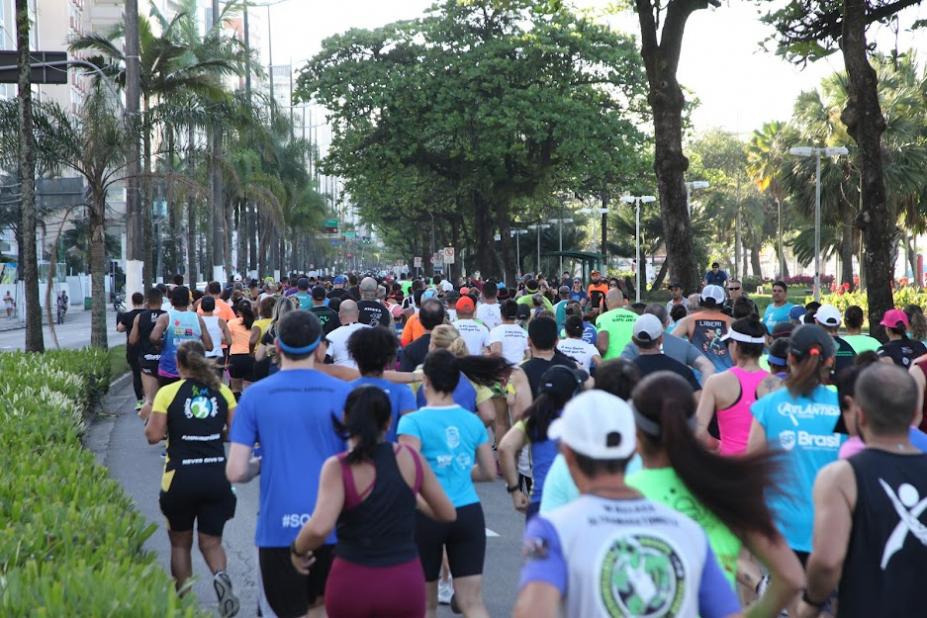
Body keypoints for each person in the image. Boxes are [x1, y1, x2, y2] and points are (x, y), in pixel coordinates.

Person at [513, 390, 741, 618]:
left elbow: (533, 611)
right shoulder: (690, 530)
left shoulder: (552, 530)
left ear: (567, 453)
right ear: (633, 449)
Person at [629, 372, 804, 614]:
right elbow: (791, 577)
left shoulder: (620, 494)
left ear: (636, 434)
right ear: (692, 426)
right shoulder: (725, 486)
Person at [289, 386, 456, 618]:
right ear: (388, 422)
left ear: (346, 418)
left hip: (352, 579)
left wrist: (297, 550)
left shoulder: (338, 467)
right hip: (403, 580)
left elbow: (319, 527)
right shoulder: (411, 459)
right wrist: (412, 498)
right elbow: (447, 513)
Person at [226, 311, 350, 618]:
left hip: (278, 527)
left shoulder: (254, 396)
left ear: (278, 347)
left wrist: (261, 463)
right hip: (334, 525)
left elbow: (236, 471)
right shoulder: (344, 393)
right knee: (323, 609)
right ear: (319, 347)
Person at [799, 364, 927, 618]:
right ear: (915, 413)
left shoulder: (841, 477)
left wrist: (810, 605)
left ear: (861, 415)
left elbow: (827, 562)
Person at [398, 350, 497, 618]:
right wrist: (460, 468)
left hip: (426, 513)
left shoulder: (411, 422)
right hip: (468, 512)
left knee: (426, 605)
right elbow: (489, 471)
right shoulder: (472, 421)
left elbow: (409, 475)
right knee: (472, 603)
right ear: (457, 383)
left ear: (425, 381)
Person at [144, 341, 240, 617]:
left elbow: (152, 436)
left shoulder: (168, 393)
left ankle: (184, 601)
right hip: (216, 476)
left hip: (179, 478)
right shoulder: (222, 391)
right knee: (211, 542)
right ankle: (220, 575)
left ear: (179, 365)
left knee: (179, 543)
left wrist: (150, 412)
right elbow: (236, 431)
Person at [747, 324, 843, 564]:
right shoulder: (844, 406)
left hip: (781, 532)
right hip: (833, 532)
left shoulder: (768, 407)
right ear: (830, 361)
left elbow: (752, 470)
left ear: (789, 358)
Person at [498, 365, 585, 520]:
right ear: (573, 393)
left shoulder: (534, 418)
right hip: (576, 504)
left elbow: (505, 448)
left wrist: (515, 491)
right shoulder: (581, 419)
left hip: (542, 503)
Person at [696, 315, 778, 455]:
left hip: (730, 469)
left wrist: (718, 446)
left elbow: (698, 431)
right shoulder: (779, 385)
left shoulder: (716, 382)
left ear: (735, 345)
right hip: (766, 469)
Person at [347, 326, 417, 441]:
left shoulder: (345, 390)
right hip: (391, 456)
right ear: (388, 358)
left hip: (354, 456)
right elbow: (411, 435)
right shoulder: (403, 392)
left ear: (355, 356)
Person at [620, 303, 716, 380]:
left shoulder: (632, 347)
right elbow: (708, 367)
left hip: (641, 400)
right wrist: (704, 393)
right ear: (667, 322)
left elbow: (621, 371)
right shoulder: (683, 345)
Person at [151, 286, 213, 387]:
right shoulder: (198, 319)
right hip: (193, 371)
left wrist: (162, 344)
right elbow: (209, 346)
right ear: (189, 301)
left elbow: (154, 337)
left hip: (168, 370)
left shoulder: (165, 318)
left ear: (171, 301)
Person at [630, 313, 702, 395]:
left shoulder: (625, 374)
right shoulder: (683, 371)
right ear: (661, 339)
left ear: (634, 340)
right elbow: (698, 400)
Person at [673, 285, 733, 372]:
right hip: (726, 375)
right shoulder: (731, 322)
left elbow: (670, 342)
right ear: (724, 302)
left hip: (699, 377)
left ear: (701, 300)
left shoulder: (689, 321)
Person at [130, 288, 167, 420]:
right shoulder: (168, 315)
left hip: (147, 360)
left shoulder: (140, 317)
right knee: (167, 397)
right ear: (162, 301)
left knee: (150, 398)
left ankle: (152, 422)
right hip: (165, 361)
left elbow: (132, 340)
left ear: (147, 302)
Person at [117, 292, 146, 408]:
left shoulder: (127, 316)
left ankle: (139, 401)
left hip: (133, 350)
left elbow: (119, 328)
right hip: (147, 349)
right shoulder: (147, 315)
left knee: (136, 375)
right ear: (143, 301)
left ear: (133, 302)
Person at [400, 299, 445, 371]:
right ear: (443, 319)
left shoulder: (409, 351)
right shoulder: (453, 346)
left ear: (420, 320)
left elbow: (404, 378)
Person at [325, 299, 370, 369]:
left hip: (342, 377)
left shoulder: (331, 336)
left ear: (339, 314)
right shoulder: (373, 331)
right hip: (369, 376)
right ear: (358, 313)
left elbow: (324, 361)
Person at [595, 288, 637, 360]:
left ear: (606, 301)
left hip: (612, 365)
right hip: (633, 363)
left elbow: (603, 347)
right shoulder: (637, 317)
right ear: (623, 301)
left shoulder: (602, 318)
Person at [227, 300, 255, 397]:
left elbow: (225, 339)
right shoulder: (255, 322)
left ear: (238, 312)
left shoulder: (232, 323)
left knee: (235, 389)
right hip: (251, 357)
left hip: (236, 357)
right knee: (249, 389)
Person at [487, 299, 528, 365]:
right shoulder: (524, 333)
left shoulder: (496, 331)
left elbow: (497, 355)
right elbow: (528, 355)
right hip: (520, 371)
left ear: (501, 314)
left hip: (504, 372)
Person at [198, 296, 231, 378]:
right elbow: (229, 341)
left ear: (201, 307)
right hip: (217, 355)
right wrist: (219, 340)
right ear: (214, 307)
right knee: (217, 384)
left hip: (202, 355)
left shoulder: (198, 320)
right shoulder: (221, 321)